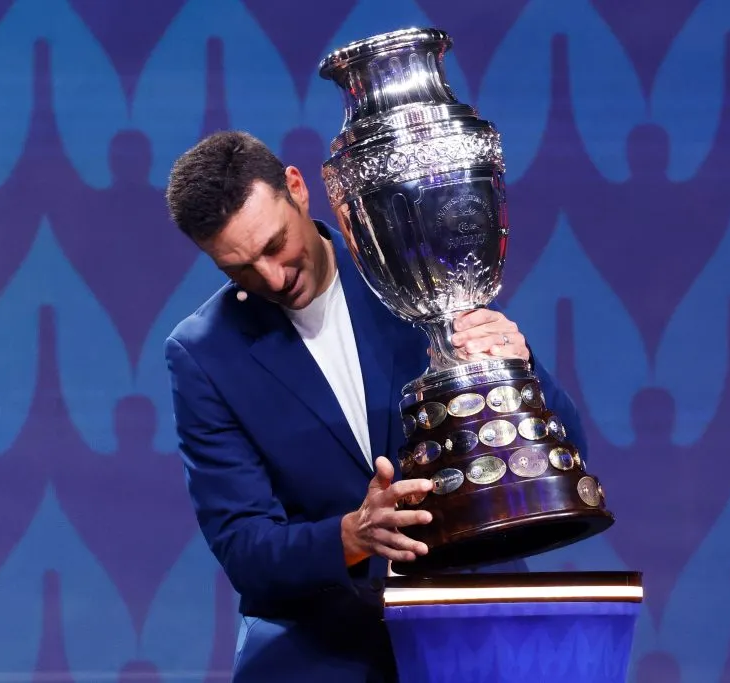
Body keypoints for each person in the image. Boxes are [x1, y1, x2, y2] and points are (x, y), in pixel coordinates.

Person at [163, 130, 588, 683]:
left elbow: (567, 453)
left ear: (297, 188)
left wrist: (517, 367)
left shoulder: (417, 273)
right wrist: (350, 536)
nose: (270, 277)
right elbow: (245, 548)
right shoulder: (203, 354)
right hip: (323, 652)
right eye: (238, 268)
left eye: (273, 246)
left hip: (474, 633)